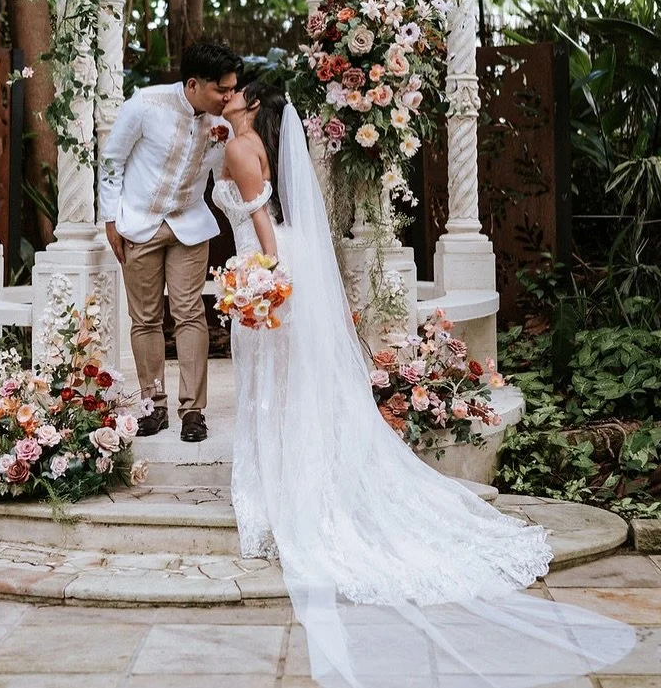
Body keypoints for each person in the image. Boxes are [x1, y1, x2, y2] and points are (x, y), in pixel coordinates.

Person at [213, 78, 636, 688]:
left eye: (237, 91)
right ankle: (293, 479)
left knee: (275, 386)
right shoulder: (257, 141)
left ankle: (280, 494)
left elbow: (259, 220)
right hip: (287, 256)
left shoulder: (237, 148)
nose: (228, 94)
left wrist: (265, 274)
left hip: (269, 261)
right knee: (292, 386)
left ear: (251, 105)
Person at [99, 41, 241, 443]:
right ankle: (152, 405)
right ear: (194, 84)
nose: (229, 97)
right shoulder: (144, 104)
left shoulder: (222, 125)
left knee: (190, 313)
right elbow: (112, 160)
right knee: (144, 318)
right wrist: (111, 220)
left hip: (190, 226)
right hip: (138, 224)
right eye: (222, 90)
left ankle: (193, 411)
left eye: (233, 88)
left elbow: (223, 178)